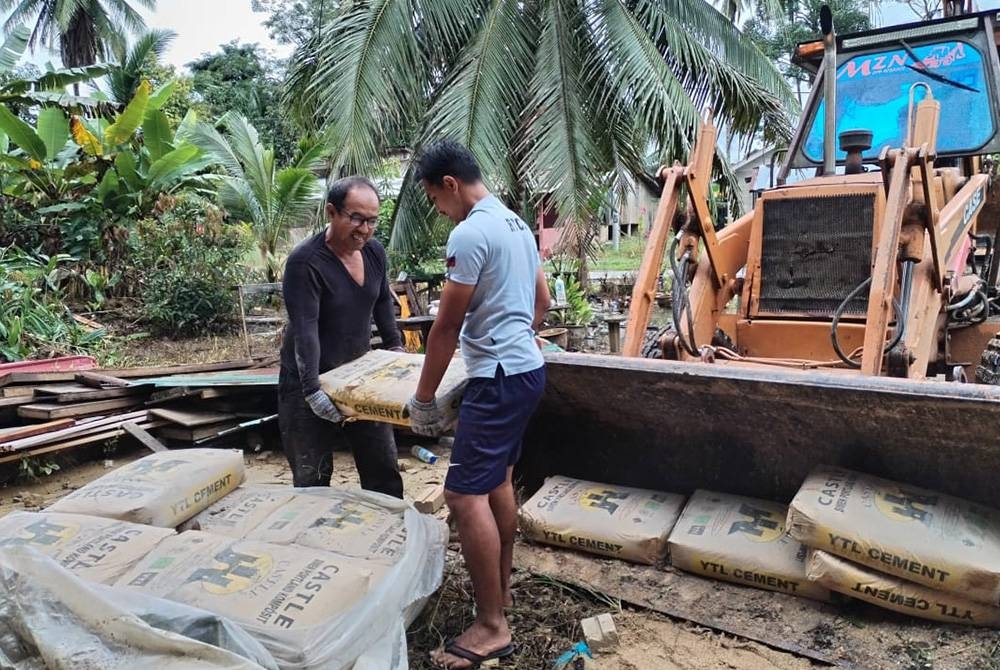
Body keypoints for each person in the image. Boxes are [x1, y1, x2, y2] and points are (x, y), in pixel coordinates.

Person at [407, 140, 550, 669]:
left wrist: (424, 397)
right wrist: (517, 338)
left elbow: (445, 326)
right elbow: (543, 303)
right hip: (527, 372)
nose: (438, 210)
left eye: (434, 199)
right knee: (497, 482)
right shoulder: (515, 224)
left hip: (495, 381)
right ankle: (502, 593)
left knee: (463, 497)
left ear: (449, 184)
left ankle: (492, 626)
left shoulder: (469, 234)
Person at [278, 175, 404, 499]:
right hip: (306, 382)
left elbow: (381, 303)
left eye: (372, 220)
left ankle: (390, 536)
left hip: (358, 379)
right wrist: (312, 390)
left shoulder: (374, 252)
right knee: (312, 477)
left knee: (383, 471)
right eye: (356, 218)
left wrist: (394, 347)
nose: (364, 229)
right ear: (331, 212)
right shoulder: (305, 262)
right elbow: (305, 328)